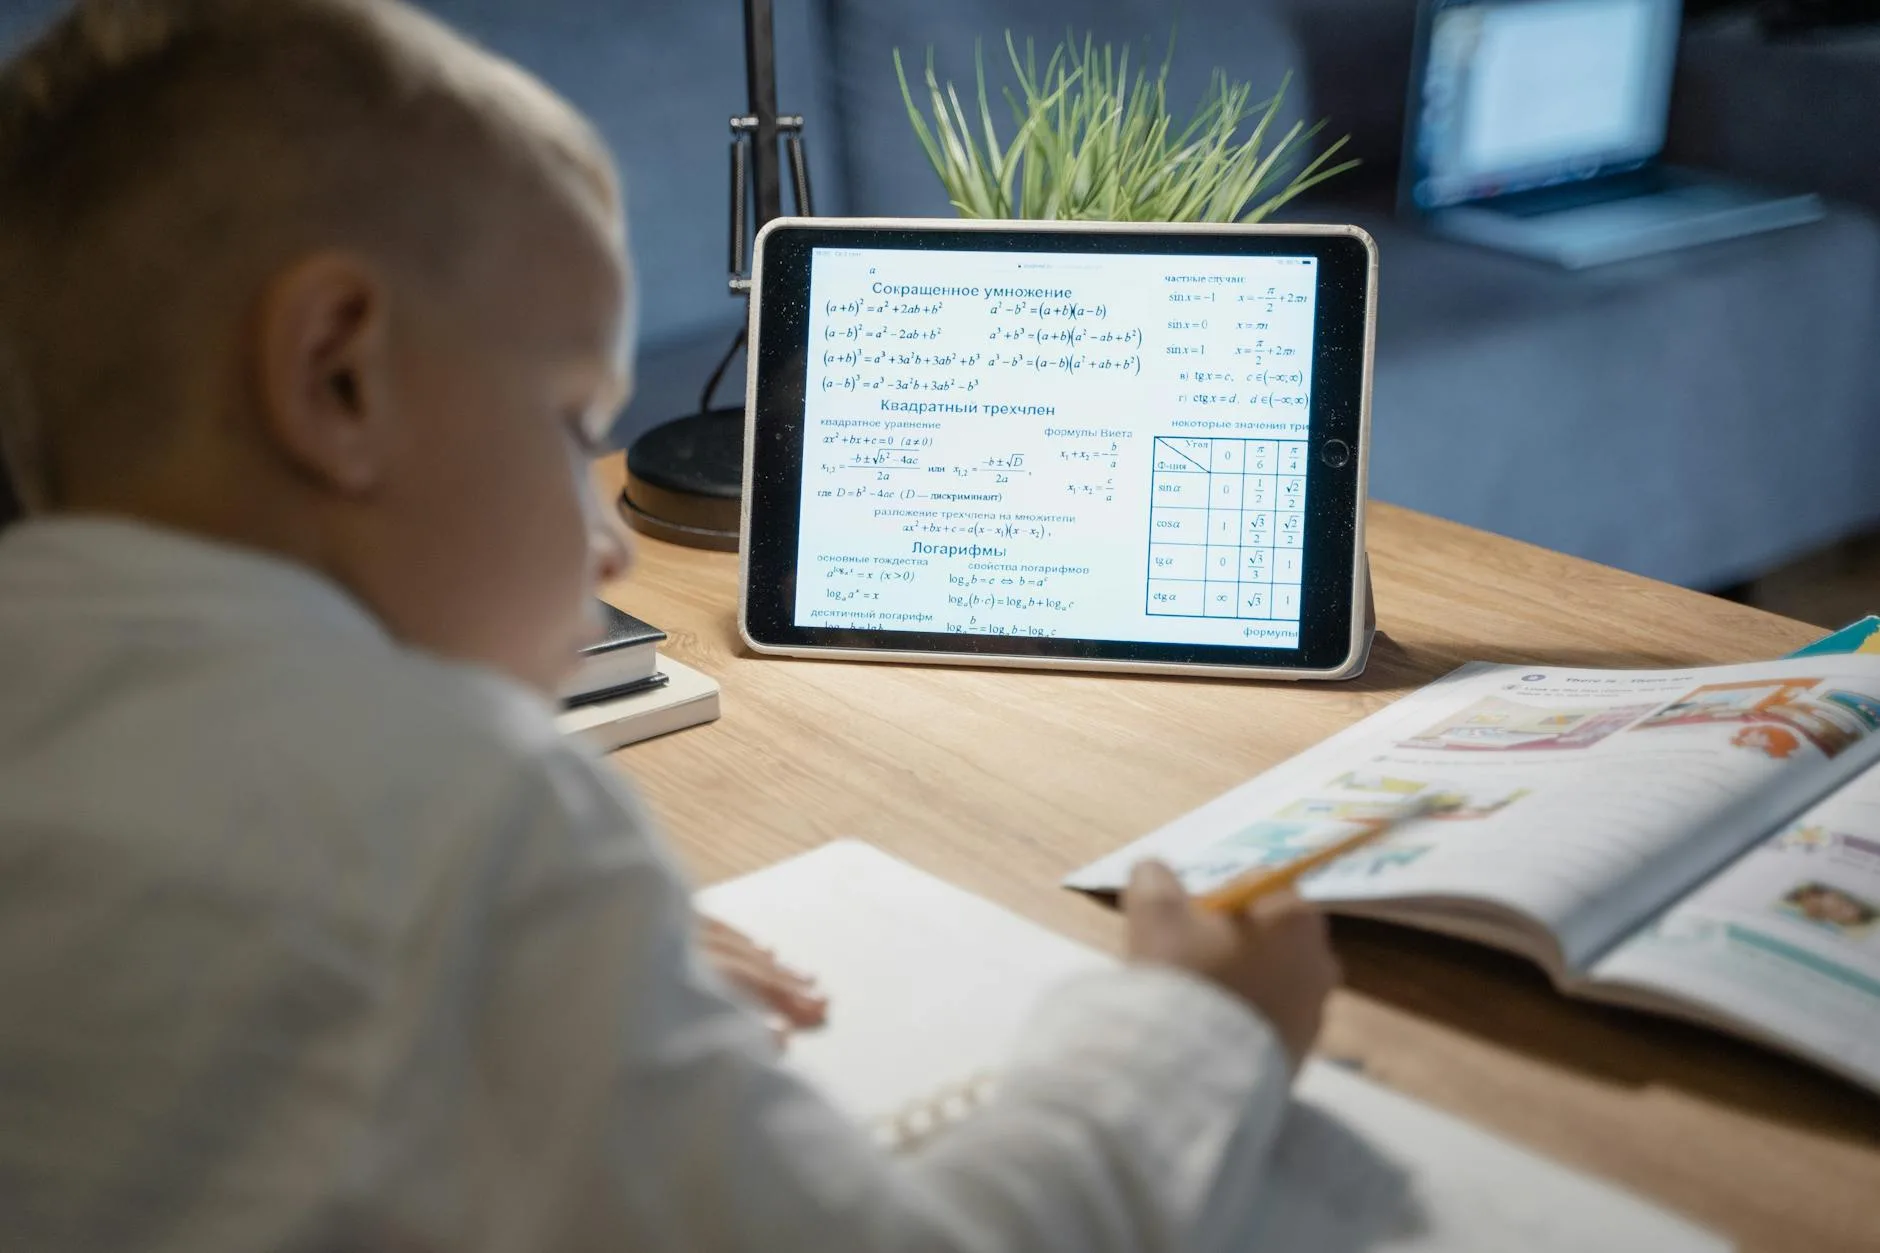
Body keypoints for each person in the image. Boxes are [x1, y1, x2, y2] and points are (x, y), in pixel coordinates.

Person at [0, 2, 1339, 1250]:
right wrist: (1191, 1035)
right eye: (573, 423)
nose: (614, 541)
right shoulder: (468, 817)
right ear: (338, 375)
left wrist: (550, 972)